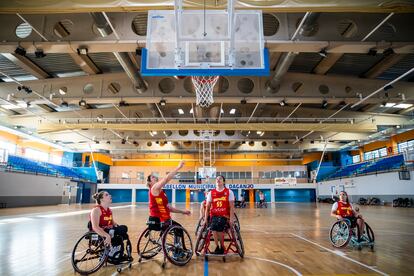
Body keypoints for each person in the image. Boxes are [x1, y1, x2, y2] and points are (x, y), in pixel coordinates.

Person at [89, 191, 132, 263]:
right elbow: (95, 227)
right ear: (102, 199)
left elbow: (113, 223)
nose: (110, 195)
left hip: (109, 231)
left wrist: (120, 229)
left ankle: (116, 253)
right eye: (107, 195)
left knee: (123, 229)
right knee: (118, 230)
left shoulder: (109, 210)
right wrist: (107, 236)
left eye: (109, 194)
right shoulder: (96, 210)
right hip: (99, 234)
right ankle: (111, 253)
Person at [147, 160, 191, 230]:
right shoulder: (154, 188)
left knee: (176, 228)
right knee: (179, 229)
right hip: (159, 219)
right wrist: (178, 167)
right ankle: (176, 241)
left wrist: (183, 212)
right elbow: (166, 179)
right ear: (149, 182)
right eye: (152, 177)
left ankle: (163, 239)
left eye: (155, 176)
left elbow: (168, 208)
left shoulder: (160, 193)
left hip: (163, 219)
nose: (155, 177)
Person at [204, 175, 235, 254]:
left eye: (220, 179)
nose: (218, 180)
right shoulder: (211, 193)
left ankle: (222, 246)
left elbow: (232, 207)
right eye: (217, 179)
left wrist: (231, 219)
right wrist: (205, 219)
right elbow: (207, 207)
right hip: (214, 215)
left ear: (223, 181)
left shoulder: (229, 192)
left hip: (224, 215)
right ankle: (217, 246)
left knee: (219, 225)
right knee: (213, 227)